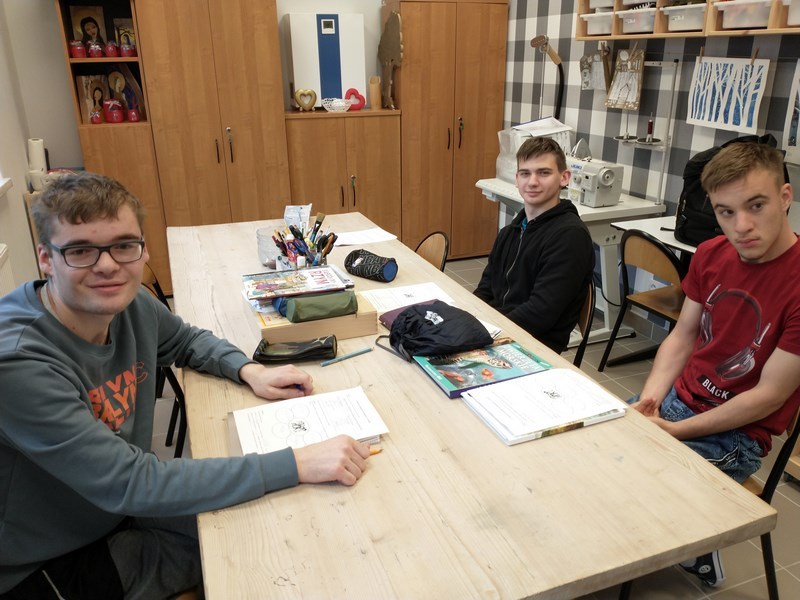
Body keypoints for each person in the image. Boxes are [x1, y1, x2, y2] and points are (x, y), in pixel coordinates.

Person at [0, 173, 375, 599]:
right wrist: (297, 462)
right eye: (81, 250)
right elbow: (131, 482)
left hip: (109, 512)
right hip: (43, 561)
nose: (107, 265)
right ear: (46, 259)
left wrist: (249, 370)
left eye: (124, 245)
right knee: (251, 556)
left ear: (142, 249)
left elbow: (185, 340)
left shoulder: (128, 304)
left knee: (264, 524)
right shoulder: (17, 361)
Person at [630, 142, 800, 587]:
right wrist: (651, 401)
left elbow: (769, 396)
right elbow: (683, 337)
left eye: (756, 205)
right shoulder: (710, 253)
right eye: (726, 212)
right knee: (587, 449)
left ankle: (695, 543)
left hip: (736, 433)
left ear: (785, 197)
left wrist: (675, 431)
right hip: (677, 401)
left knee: (626, 490)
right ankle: (694, 545)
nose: (741, 226)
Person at [474, 136, 594, 353]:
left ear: (564, 177)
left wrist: (484, 331)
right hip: (497, 331)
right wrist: (468, 320)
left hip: (533, 346)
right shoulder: (511, 231)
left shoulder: (570, 237)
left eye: (544, 173)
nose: (532, 182)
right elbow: (484, 290)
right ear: (517, 179)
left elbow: (539, 314)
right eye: (525, 173)